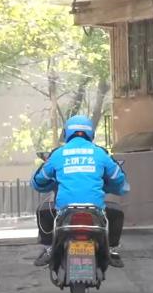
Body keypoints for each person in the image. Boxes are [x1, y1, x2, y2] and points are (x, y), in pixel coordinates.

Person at [31, 115, 128, 268]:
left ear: (66, 133)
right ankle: (111, 249)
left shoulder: (58, 154)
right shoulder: (100, 153)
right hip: (95, 211)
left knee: (42, 211)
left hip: (64, 211)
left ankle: (49, 249)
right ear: (91, 134)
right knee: (117, 213)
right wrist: (110, 186)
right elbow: (119, 179)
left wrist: (51, 182)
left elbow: (38, 180)